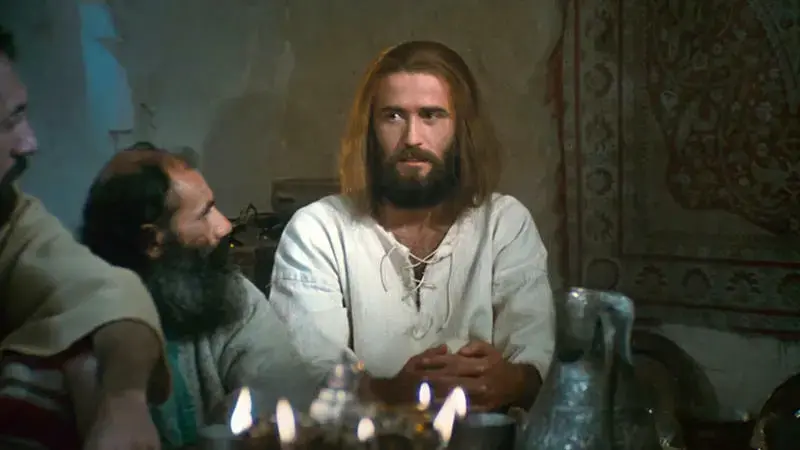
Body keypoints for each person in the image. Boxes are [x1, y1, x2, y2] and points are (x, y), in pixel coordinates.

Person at [269, 40, 555, 412]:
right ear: (371, 129)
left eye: (431, 115)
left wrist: (509, 380)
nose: (412, 138)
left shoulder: (504, 223)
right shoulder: (318, 230)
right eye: (393, 116)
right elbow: (305, 372)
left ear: (461, 128)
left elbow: (536, 355)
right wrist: (389, 392)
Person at [79, 148, 319, 448]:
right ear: (152, 241)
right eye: (204, 213)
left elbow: (286, 385)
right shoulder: (80, 318)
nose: (224, 226)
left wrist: (243, 413)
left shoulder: (228, 291)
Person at [0, 25, 168, 449]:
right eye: (6, 124)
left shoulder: (10, 216)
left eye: (20, 114)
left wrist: (123, 401)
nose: (28, 143)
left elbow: (109, 295)